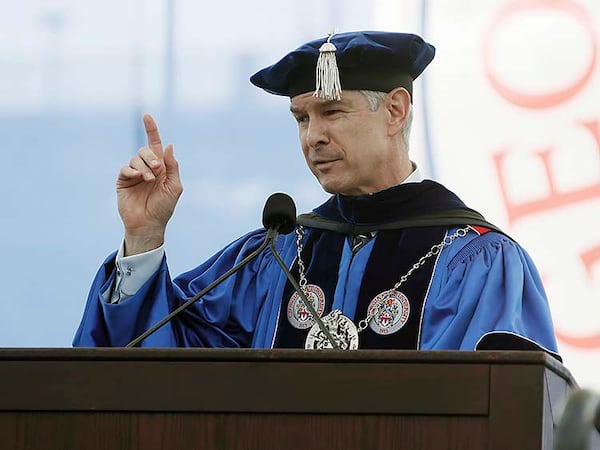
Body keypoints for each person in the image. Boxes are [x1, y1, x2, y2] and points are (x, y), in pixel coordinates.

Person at [73, 31, 559, 357]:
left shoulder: (476, 261)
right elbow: (155, 360)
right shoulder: (276, 255)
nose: (313, 137)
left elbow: (498, 406)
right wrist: (144, 236)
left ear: (394, 110)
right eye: (302, 118)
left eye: (332, 112)